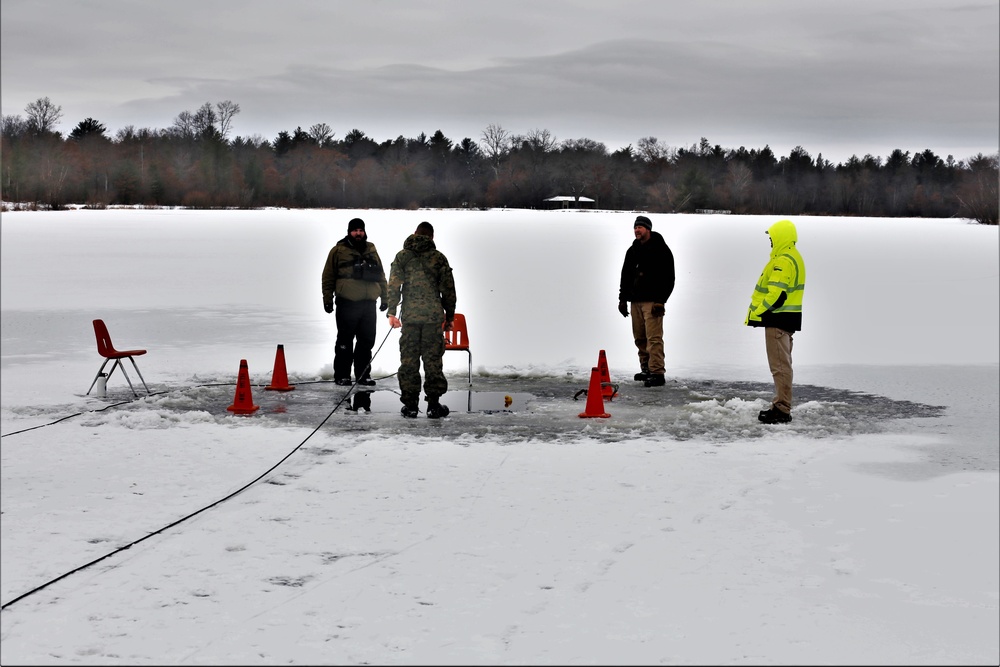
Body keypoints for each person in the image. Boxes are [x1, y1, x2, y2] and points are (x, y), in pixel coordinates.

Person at [385, 221, 457, 418]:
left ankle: (410, 405)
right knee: (433, 361)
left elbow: (393, 286)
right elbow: (448, 291)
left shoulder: (402, 257)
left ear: (414, 233)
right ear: (432, 237)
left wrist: (392, 312)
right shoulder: (438, 258)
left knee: (409, 360)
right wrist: (449, 317)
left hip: (410, 318)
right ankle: (433, 405)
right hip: (433, 319)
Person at [745, 219, 806, 424]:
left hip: (778, 320)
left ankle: (781, 409)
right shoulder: (790, 257)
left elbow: (776, 294)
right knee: (782, 365)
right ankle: (781, 405)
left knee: (779, 366)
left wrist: (759, 312)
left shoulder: (784, 260)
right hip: (784, 320)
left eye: (772, 237)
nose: (770, 241)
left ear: (781, 237)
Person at [321, 217, 388, 386]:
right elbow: (328, 276)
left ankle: (363, 375)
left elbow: (381, 275)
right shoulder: (337, 251)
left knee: (366, 341)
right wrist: (327, 299)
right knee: (345, 341)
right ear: (349, 232)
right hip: (347, 303)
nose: (358, 233)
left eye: (361, 230)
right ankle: (342, 375)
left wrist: (385, 297)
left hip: (368, 305)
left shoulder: (371, 250)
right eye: (355, 230)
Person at [618, 215, 675, 387]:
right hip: (635, 301)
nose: (637, 230)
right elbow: (625, 276)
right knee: (640, 337)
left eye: (640, 228)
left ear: (648, 229)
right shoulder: (632, 251)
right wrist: (622, 299)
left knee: (654, 338)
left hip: (653, 302)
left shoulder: (661, 249)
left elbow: (669, 278)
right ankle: (646, 369)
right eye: (635, 228)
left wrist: (661, 301)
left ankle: (657, 372)